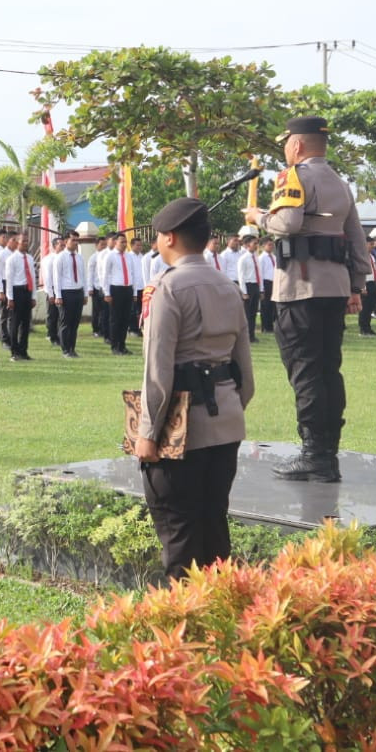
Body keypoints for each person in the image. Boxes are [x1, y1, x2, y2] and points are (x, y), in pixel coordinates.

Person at [130, 196, 254, 583]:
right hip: (227, 421)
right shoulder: (227, 285)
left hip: (181, 428)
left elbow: (157, 370)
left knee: (179, 533)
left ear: (168, 238)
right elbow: (244, 368)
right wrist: (233, 407)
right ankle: (222, 615)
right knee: (214, 525)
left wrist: (147, 433)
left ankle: (187, 630)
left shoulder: (165, 288)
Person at [242, 116, 368, 483]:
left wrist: (257, 216)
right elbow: (356, 238)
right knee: (328, 370)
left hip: (300, 290)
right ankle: (326, 455)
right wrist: (356, 286)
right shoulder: (340, 183)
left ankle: (314, 455)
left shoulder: (292, 175)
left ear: (296, 145)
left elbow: (287, 224)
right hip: (334, 289)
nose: (285, 149)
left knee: (306, 372)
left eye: (286, 143)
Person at [0, 230, 35, 361]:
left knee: (26, 324)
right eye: (23, 241)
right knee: (15, 323)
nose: (26, 243)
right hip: (16, 291)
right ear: (17, 243)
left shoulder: (30, 258)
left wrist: (33, 296)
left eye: (27, 241)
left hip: (27, 291)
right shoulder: (12, 259)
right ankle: (14, 351)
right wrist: (10, 298)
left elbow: (33, 278)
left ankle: (23, 351)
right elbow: (9, 280)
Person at [52, 231, 86, 358]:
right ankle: (65, 349)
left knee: (75, 323)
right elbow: (57, 278)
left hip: (78, 291)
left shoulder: (79, 257)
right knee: (66, 322)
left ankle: (72, 348)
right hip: (66, 292)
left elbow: (83, 276)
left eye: (77, 240)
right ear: (66, 241)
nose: (76, 243)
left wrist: (85, 293)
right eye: (73, 240)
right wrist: (58, 296)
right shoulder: (60, 257)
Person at [103, 233, 138, 355]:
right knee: (115, 319)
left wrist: (134, 292)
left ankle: (122, 345)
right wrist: (107, 293)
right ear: (115, 242)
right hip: (116, 289)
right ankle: (115, 346)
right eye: (121, 242)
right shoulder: (110, 256)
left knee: (125, 319)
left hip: (127, 289)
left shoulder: (129, 257)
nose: (124, 244)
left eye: (125, 242)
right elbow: (105, 275)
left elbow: (133, 274)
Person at [234, 225, 261, 343]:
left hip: (255, 285)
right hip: (248, 286)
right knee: (247, 313)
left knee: (254, 313)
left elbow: (258, 274)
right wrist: (244, 292)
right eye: (254, 243)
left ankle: (252, 335)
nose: (256, 245)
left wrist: (261, 289)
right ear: (248, 244)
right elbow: (241, 276)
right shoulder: (243, 259)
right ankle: (245, 336)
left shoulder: (256, 257)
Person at [40, 234, 63, 347]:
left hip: (62, 288)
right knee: (52, 314)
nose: (63, 247)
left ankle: (60, 335)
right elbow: (47, 277)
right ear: (54, 246)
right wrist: (50, 294)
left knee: (61, 314)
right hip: (52, 289)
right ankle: (52, 335)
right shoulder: (49, 259)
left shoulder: (64, 257)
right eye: (60, 245)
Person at [257, 237, 277, 334]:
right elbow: (260, 274)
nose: (271, 246)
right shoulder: (261, 258)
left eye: (272, 244)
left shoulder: (274, 257)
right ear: (263, 246)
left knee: (273, 306)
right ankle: (265, 327)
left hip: (274, 283)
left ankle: (271, 325)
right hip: (266, 283)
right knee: (265, 306)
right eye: (269, 245)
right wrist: (262, 289)